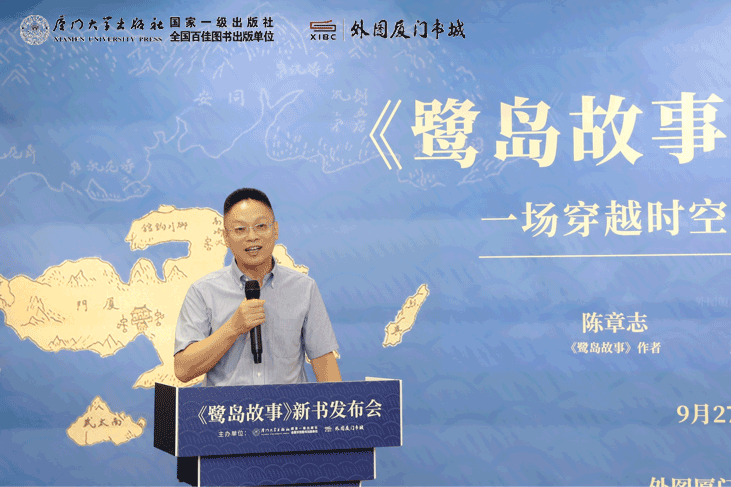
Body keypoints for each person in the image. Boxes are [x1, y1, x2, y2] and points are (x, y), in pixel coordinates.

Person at [174, 188, 342, 386]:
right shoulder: (203, 291)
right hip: (229, 405)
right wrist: (233, 328)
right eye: (240, 229)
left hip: (286, 405)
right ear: (226, 237)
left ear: (275, 230)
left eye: (261, 226)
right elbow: (183, 370)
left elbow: (325, 364)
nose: (252, 236)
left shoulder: (304, 288)